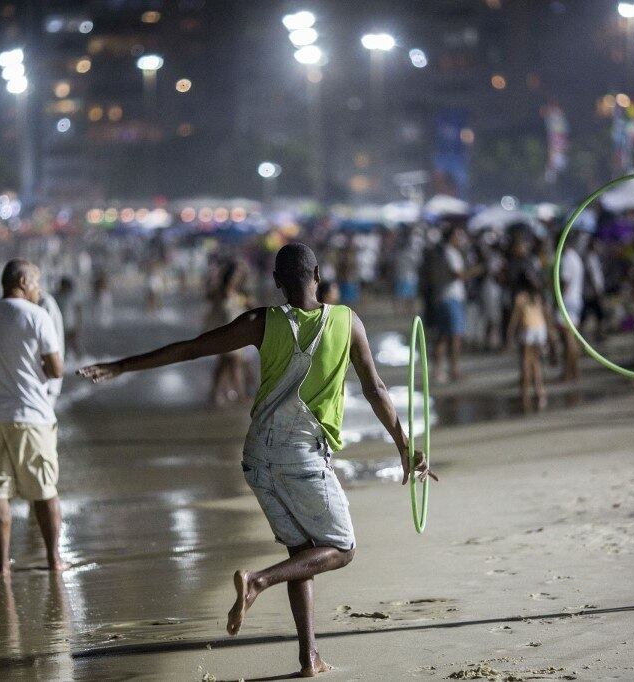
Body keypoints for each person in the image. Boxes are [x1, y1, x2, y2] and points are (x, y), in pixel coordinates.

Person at [78, 243, 436, 676]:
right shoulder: (347, 321)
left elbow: (192, 348)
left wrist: (120, 366)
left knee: (301, 553)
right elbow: (376, 389)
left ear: (278, 284)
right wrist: (403, 445)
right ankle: (258, 581)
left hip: (257, 456)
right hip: (300, 454)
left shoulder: (261, 322)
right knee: (340, 548)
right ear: (318, 274)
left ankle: (309, 658)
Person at [0, 259, 66, 574]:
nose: (39, 290)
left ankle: (1, 564)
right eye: (36, 283)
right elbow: (56, 369)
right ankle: (53, 558)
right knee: (45, 491)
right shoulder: (38, 316)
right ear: (22, 280)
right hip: (31, 413)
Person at [432, 224, 483, 383]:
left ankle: (438, 371)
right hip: (451, 297)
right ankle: (453, 371)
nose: (460, 239)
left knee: (443, 335)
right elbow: (458, 274)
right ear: (451, 237)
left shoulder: (445, 252)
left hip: (446, 297)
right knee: (454, 336)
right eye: (457, 236)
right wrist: (477, 270)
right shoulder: (450, 252)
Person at [505, 272, 553, 412]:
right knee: (536, 363)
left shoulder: (520, 298)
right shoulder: (537, 297)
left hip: (528, 329)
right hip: (540, 329)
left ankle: (524, 393)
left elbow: (515, 319)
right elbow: (545, 314)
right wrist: (550, 333)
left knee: (525, 363)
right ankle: (540, 391)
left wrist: (509, 334)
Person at [206, 261, 250, 405]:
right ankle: (240, 394)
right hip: (225, 333)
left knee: (225, 364)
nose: (236, 279)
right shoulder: (219, 292)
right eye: (234, 276)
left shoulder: (239, 293)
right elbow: (211, 306)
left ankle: (216, 392)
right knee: (232, 363)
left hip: (238, 333)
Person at [557, 234, 585, 382]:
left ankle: (570, 372)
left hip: (567, 302)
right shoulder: (575, 257)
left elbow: (565, 284)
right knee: (572, 338)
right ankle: (573, 371)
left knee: (569, 340)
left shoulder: (567, 259)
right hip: (576, 300)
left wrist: (558, 302)